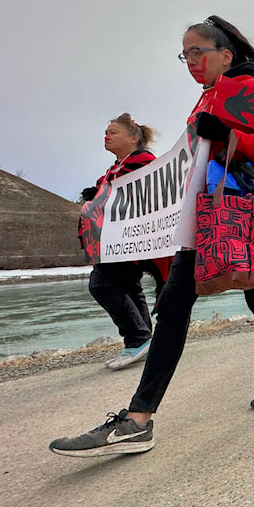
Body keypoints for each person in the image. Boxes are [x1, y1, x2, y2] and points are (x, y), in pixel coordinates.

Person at [51, 16, 254, 457]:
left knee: (239, 297)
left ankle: (142, 418)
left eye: (197, 52)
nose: (189, 61)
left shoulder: (251, 90)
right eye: (184, 54)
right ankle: (141, 418)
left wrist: (230, 135)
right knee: (189, 302)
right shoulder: (205, 96)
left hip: (236, 212)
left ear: (225, 55)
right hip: (202, 215)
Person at [81, 113, 167, 370]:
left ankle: (138, 339)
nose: (106, 136)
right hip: (116, 240)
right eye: (106, 132)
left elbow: (150, 198)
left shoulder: (144, 163)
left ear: (133, 137)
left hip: (133, 237)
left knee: (102, 283)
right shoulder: (117, 168)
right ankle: (145, 340)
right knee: (127, 285)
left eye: (113, 132)